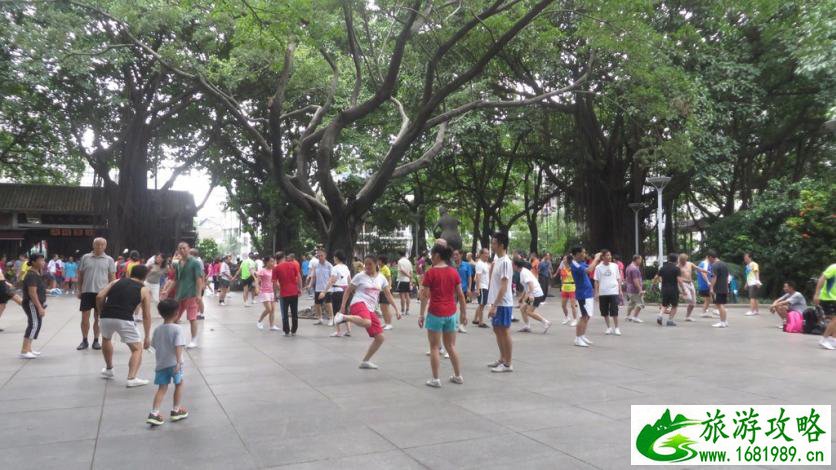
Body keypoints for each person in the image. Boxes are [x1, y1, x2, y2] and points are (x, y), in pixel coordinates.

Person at [334, 255, 400, 369]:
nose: (367, 266)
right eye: (366, 264)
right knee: (367, 322)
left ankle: (365, 361)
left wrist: (397, 309)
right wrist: (343, 307)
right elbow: (348, 291)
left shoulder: (381, 278)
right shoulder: (360, 276)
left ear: (376, 264)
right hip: (358, 303)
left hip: (370, 309)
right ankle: (344, 317)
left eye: (370, 264)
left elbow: (388, 295)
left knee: (380, 338)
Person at [96, 264, 152, 387]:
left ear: (130, 273)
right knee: (137, 349)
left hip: (106, 316)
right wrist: (147, 336)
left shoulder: (117, 281)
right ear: (145, 276)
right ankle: (131, 378)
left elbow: (100, 296)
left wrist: (101, 312)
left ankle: (109, 369)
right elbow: (146, 315)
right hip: (124, 318)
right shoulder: (144, 289)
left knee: (106, 339)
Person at [419, 244, 466, 387]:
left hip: (435, 313)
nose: (430, 258)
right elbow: (461, 295)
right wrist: (463, 313)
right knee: (451, 346)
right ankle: (458, 376)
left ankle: (435, 379)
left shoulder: (430, 273)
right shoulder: (453, 272)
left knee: (434, 347)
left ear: (437, 256)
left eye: (432, 255)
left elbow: (425, 296)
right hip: (451, 313)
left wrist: (421, 315)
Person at [146, 299, 189, 426]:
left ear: (160, 313)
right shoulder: (177, 329)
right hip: (174, 364)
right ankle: (176, 410)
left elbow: (154, 345)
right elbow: (178, 346)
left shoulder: (157, 329)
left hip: (161, 364)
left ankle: (154, 413)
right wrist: (178, 362)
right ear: (177, 313)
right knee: (179, 384)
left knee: (162, 388)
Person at [77, 238, 116, 351]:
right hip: (87, 291)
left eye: (102, 244)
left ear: (105, 246)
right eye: (97, 244)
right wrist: (79, 290)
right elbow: (80, 275)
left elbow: (112, 278)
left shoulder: (109, 260)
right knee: (85, 317)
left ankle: (96, 340)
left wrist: (111, 292)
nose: (99, 246)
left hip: (102, 293)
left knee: (98, 318)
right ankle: (84, 340)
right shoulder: (85, 257)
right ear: (93, 245)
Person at [163, 242, 204, 348]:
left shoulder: (195, 262)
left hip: (191, 294)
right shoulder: (178, 263)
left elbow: (199, 279)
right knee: (175, 317)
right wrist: (167, 291)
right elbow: (175, 280)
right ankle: (176, 339)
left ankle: (194, 340)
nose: (182, 250)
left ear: (188, 249)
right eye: (180, 248)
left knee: (192, 318)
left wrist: (199, 295)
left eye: (184, 248)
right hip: (179, 294)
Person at [486, 232, 515, 372]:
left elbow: (504, 286)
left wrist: (495, 305)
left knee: (504, 331)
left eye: (494, 243)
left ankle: (508, 363)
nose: (492, 245)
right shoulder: (497, 261)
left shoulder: (505, 262)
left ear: (501, 245)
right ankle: (502, 359)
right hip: (497, 303)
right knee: (498, 330)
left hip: (503, 303)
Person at [570, 246, 601, 347]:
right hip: (583, 294)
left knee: (587, 316)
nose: (584, 254)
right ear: (577, 254)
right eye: (583, 253)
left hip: (587, 293)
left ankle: (582, 336)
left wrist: (596, 258)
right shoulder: (575, 264)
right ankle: (578, 338)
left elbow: (588, 265)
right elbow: (589, 270)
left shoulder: (580, 262)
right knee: (583, 316)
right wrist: (596, 258)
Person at [20, 253, 47, 359]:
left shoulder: (36, 273)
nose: (43, 262)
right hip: (32, 303)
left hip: (35, 303)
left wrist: (50, 291)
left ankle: (29, 349)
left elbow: (38, 289)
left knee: (36, 324)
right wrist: (39, 307)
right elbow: (32, 293)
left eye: (43, 260)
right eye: (41, 260)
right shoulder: (31, 274)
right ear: (34, 262)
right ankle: (24, 350)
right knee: (34, 325)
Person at [514, 259, 552, 333]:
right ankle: (527, 326)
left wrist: (530, 295)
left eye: (512, 265)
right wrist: (522, 297)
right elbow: (526, 287)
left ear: (515, 266)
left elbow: (531, 284)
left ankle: (546, 322)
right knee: (522, 309)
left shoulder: (523, 273)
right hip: (533, 294)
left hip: (535, 294)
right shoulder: (523, 271)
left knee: (529, 311)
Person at [323, 250, 352, 337]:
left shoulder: (335, 268)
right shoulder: (346, 267)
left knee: (337, 311)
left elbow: (332, 280)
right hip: (346, 291)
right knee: (345, 310)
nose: (333, 258)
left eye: (334, 257)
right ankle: (348, 330)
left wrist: (324, 291)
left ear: (336, 258)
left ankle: (338, 331)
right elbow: (349, 280)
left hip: (337, 291)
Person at [594, 249, 623, 334]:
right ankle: (609, 327)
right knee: (604, 311)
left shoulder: (615, 266)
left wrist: (620, 290)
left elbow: (618, 278)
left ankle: (617, 328)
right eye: (607, 255)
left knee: (614, 310)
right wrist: (596, 293)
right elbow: (596, 281)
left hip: (613, 291)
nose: (609, 257)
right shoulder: (598, 267)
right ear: (602, 257)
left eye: (610, 255)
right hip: (603, 292)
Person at [273, 252, 302, 336]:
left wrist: (275, 295)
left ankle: (286, 331)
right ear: (284, 257)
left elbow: (274, 283)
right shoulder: (293, 265)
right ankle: (294, 330)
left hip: (284, 293)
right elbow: (299, 277)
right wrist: (300, 288)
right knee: (294, 312)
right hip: (294, 292)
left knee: (284, 313)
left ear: (276, 259)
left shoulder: (276, 268)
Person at [653, 253, 682, 327]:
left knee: (664, 304)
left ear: (668, 259)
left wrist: (654, 284)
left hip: (664, 289)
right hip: (673, 290)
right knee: (674, 305)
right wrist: (683, 290)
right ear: (676, 260)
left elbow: (656, 277)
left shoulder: (663, 268)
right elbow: (679, 280)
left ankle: (660, 316)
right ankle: (670, 321)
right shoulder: (676, 269)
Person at [678, 253, 708, 321]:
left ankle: (687, 317)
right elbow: (676, 277)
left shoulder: (690, 263)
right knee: (689, 298)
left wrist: (705, 271)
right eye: (682, 260)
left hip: (691, 284)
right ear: (680, 260)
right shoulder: (678, 266)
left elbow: (697, 268)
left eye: (684, 260)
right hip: (683, 284)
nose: (683, 262)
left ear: (686, 259)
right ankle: (680, 294)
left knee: (693, 303)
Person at [813, 263, 836, 350]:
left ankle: (833, 340)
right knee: (835, 319)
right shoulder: (834, 267)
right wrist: (816, 294)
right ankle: (824, 339)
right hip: (828, 298)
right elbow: (822, 278)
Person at [255, 256, 280, 331]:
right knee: (269, 309)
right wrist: (257, 288)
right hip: (264, 292)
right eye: (271, 261)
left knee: (272, 310)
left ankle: (272, 326)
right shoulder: (262, 271)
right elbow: (257, 279)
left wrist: (280, 289)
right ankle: (259, 321)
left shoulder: (274, 270)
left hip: (272, 292)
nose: (273, 263)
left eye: (273, 261)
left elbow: (276, 281)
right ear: (266, 262)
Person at [309, 249, 333, 325]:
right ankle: (320, 319)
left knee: (328, 304)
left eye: (321, 255)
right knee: (317, 304)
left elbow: (332, 278)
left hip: (327, 289)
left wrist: (327, 289)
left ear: (325, 256)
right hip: (318, 288)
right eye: (318, 256)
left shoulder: (329, 265)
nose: (320, 257)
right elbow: (313, 277)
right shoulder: (315, 265)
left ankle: (331, 318)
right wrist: (310, 285)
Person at [0, 254, 24, 332]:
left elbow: (1, 277)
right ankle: (35, 308)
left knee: (2, 306)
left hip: (3, 285)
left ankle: (35, 307)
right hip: (2, 287)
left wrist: (7, 283)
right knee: (18, 299)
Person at [707, 250, 730, 328]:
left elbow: (714, 277)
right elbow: (727, 277)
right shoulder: (724, 264)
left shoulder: (715, 265)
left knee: (720, 305)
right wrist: (727, 288)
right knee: (721, 305)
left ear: (710, 257)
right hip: (724, 288)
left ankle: (722, 322)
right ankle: (725, 321)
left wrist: (711, 288)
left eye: (708, 258)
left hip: (718, 288)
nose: (708, 260)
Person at [453, 249, 473, 333]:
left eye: (457, 254)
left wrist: (469, 288)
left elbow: (469, 277)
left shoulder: (467, 265)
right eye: (453, 255)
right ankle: (453, 323)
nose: (455, 256)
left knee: (462, 307)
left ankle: (461, 325)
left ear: (461, 255)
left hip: (463, 289)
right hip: (452, 290)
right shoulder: (451, 265)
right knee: (452, 307)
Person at [557, 254, 579, 326]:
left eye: (565, 259)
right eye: (563, 259)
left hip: (572, 287)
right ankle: (567, 317)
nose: (563, 260)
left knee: (573, 305)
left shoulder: (572, 268)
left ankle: (575, 319)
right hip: (564, 288)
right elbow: (562, 280)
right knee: (563, 305)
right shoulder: (562, 269)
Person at [472, 248, 491, 328]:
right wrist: (478, 289)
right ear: (481, 254)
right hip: (482, 287)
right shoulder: (479, 264)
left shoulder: (485, 263)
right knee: (482, 304)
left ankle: (475, 319)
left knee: (481, 304)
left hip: (485, 286)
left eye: (488, 253)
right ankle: (481, 322)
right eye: (485, 253)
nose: (487, 255)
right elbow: (478, 277)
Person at [624, 255, 645, 323]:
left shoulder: (629, 267)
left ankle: (627, 316)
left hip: (630, 289)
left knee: (632, 303)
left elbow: (626, 278)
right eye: (640, 260)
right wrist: (640, 290)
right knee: (641, 303)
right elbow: (635, 281)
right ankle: (635, 317)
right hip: (635, 290)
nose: (641, 261)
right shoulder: (634, 269)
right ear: (637, 259)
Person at [377, 255, 394, 330]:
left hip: (385, 290)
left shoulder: (386, 269)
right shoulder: (380, 268)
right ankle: (386, 322)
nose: (378, 261)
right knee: (382, 307)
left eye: (379, 260)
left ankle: (389, 323)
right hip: (380, 290)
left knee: (386, 307)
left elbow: (389, 279)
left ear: (382, 261)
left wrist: (389, 288)